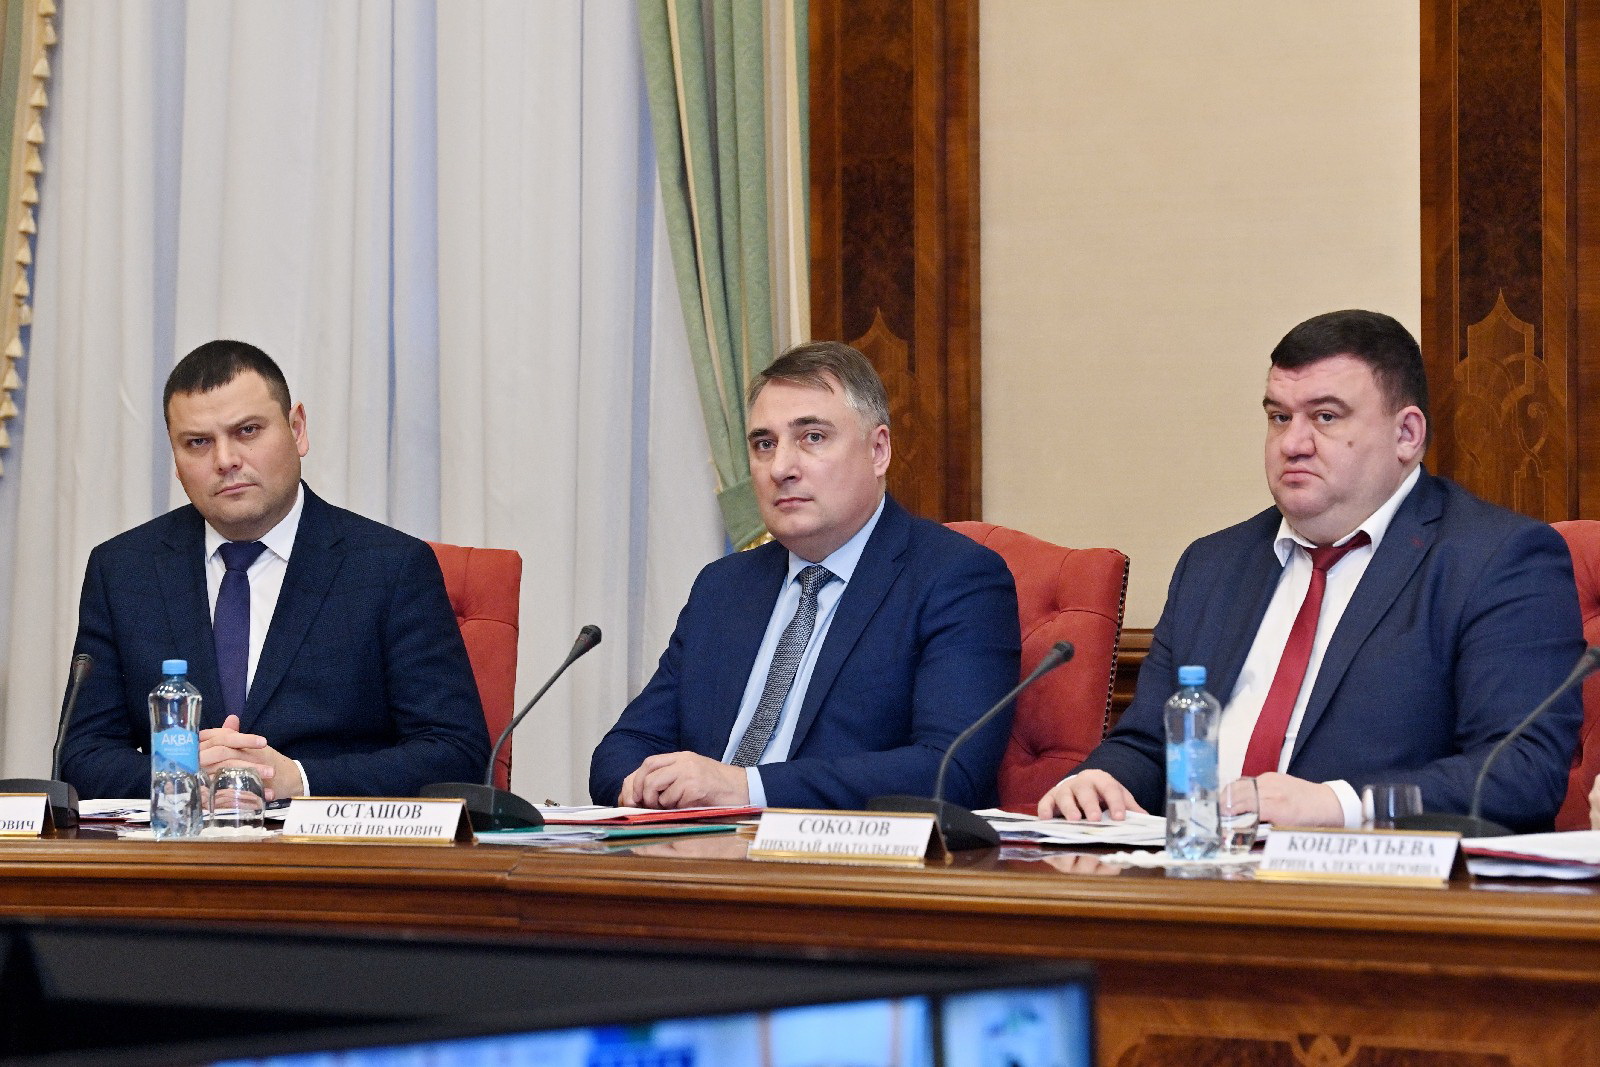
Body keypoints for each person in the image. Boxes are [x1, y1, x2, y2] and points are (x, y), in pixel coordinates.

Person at [1040, 310, 1584, 833]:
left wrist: (1337, 805)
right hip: (1200, 873)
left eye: (1325, 417)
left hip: (1379, 883)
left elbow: (1521, 773)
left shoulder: (1497, 560)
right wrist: (1101, 780)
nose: (1293, 444)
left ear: (1407, 434)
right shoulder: (1213, 565)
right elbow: (1152, 745)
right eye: (1280, 417)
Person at [590, 341, 1021, 810]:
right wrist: (645, 787)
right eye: (764, 444)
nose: (780, 468)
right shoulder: (724, 587)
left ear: (878, 450)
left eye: (812, 437)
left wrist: (745, 789)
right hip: (693, 844)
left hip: (829, 852)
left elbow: (950, 770)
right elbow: (623, 748)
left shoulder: (955, 578)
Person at [59, 340, 489, 800]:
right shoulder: (124, 571)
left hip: (328, 840)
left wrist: (298, 780)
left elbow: (456, 750)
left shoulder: (391, 567)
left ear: (296, 429)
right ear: (176, 460)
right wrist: (180, 776)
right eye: (198, 443)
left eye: (247, 431)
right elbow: (81, 754)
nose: (225, 460)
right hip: (183, 839)